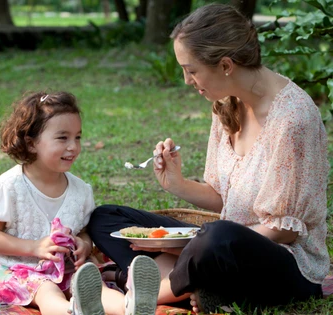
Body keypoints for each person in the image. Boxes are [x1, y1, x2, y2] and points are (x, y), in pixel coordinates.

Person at [88, 3, 331, 314]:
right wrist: (176, 183)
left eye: (191, 70)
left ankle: (147, 295)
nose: (188, 81)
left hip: (286, 265)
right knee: (106, 218)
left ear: (226, 65)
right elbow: (224, 199)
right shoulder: (227, 101)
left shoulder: (293, 119)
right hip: (221, 250)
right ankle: (195, 283)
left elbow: (284, 230)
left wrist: (195, 247)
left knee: (216, 235)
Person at [0, 91, 160, 315]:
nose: (73, 146)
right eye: (63, 138)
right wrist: (33, 247)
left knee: (93, 283)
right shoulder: (10, 186)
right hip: (20, 268)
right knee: (45, 290)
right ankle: (71, 311)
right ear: (31, 143)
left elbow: (83, 230)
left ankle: (131, 306)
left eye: (78, 137)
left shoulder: (80, 191)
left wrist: (84, 244)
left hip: (68, 267)